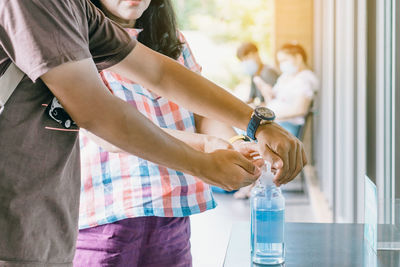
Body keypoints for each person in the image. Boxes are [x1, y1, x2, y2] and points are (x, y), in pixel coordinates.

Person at [0, 1, 306, 266]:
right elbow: (98, 114)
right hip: (60, 223)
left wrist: (257, 124)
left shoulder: (77, 11)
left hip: (50, 223)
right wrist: (204, 159)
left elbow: (158, 73)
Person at [74, 1, 262, 266]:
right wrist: (207, 146)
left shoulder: (173, 41)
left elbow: (203, 112)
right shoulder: (77, 38)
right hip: (106, 219)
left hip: (171, 211)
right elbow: (108, 130)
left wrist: (234, 144)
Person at [254, 43, 319, 137]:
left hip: (285, 127)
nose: (282, 65)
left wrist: (270, 117)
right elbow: (273, 99)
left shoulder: (305, 79)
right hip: (275, 124)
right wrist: (266, 90)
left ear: (298, 58)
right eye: (280, 62)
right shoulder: (286, 77)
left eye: (285, 60)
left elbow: (300, 109)